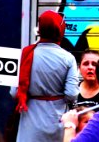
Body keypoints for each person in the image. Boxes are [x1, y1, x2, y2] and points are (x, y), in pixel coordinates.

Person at [13, 10, 80, 142]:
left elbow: (14, 92)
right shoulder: (68, 59)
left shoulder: (25, 55)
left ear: (40, 30)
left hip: (29, 122)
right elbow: (72, 94)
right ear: (60, 30)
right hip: (57, 120)